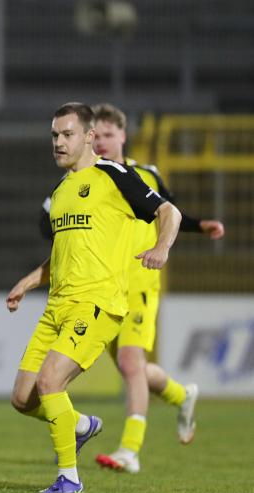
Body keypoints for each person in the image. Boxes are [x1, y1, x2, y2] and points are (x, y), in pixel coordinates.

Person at [6, 102, 181, 493]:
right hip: (57, 306)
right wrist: (30, 281)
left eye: (67, 134)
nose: (58, 142)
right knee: (22, 397)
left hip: (97, 303)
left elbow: (170, 211)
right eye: (54, 135)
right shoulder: (61, 191)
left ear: (88, 136)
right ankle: (81, 425)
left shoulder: (114, 175)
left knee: (51, 382)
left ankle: (69, 478)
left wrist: (163, 247)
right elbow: (65, 251)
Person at [79, 103, 223, 473]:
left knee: (130, 364)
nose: (104, 142)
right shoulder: (92, 180)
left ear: (123, 136)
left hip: (140, 283)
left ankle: (130, 450)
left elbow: (169, 210)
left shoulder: (145, 174)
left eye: (110, 135)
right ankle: (182, 394)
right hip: (105, 287)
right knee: (138, 369)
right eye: (98, 136)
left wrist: (200, 225)